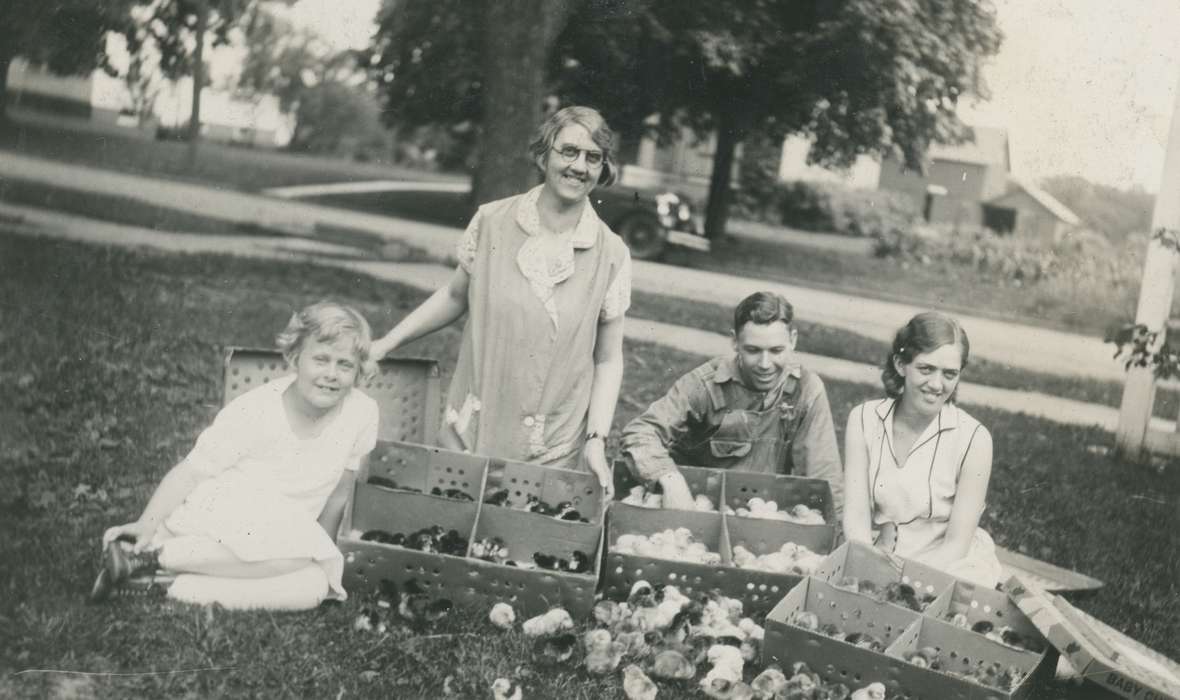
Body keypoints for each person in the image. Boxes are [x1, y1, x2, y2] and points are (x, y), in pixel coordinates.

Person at [370, 106, 631, 495]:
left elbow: (608, 358)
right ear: (543, 155)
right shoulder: (492, 221)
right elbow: (456, 295)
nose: (580, 166)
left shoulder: (611, 252)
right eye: (569, 152)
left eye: (593, 158)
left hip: (554, 444)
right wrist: (385, 344)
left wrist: (596, 437)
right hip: (473, 428)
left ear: (603, 168)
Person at [89, 302, 379, 609]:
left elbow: (338, 495)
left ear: (358, 370)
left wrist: (324, 550)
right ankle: (149, 555)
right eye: (321, 360)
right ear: (295, 357)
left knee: (315, 585)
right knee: (298, 551)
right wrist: (146, 523)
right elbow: (191, 471)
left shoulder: (362, 412)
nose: (331, 374)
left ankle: (164, 584)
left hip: (287, 537)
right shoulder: (255, 410)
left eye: (344, 365)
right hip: (223, 519)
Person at [621, 292, 844, 514]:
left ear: (793, 340)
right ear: (735, 342)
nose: (765, 364)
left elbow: (825, 480)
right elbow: (641, 432)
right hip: (695, 509)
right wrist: (670, 481)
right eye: (753, 350)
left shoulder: (806, 390)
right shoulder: (705, 384)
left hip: (763, 512)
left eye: (776, 350)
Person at [842, 311, 1003, 587]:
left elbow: (956, 546)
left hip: (949, 567)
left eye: (949, 374)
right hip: (880, 556)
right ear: (901, 364)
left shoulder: (975, 438)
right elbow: (856, 516)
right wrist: (869, 563)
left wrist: (902, 582)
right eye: (926, 369)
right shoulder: (864, 419)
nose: (937, 385)